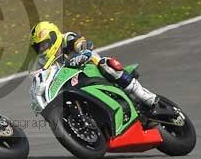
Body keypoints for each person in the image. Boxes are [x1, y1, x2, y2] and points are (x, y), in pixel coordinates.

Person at [29, 21, 158, 111]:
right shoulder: (46, 63)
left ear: (53, 37)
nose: (42, 50)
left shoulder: (66, 38)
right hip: (73, 83)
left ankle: (145, 96)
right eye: (38, 48)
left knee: (106, 65)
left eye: (44, 45)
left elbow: (83, 44)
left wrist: (82, 53)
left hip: (90, 67)